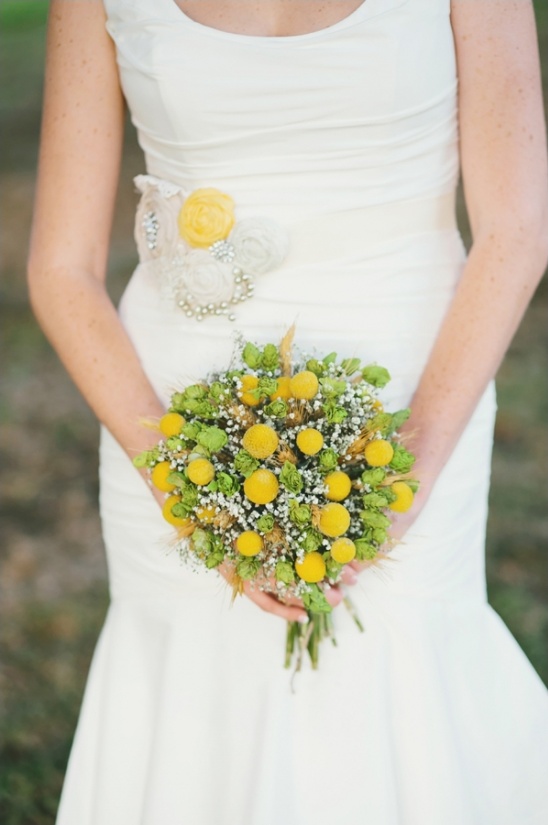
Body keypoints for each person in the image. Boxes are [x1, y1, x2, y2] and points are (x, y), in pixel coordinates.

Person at [27, 0, 548, 823]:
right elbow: (61, 267)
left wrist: (409, 463)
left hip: (413, 388)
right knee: (200, 689)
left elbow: (517, 229)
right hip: (172, 407)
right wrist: (184, 485)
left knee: (400, 672)